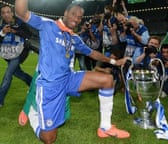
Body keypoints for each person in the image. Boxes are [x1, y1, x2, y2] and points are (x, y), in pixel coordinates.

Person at [15, 1, 130, 144]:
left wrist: (114, 62)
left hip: (69, 78)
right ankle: (33, 113)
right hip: (50, 87)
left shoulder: (74, 38)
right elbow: (21, 12)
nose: (76, 19)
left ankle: (105, 127)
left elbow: (92, 53)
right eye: (73, 14)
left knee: (107, 80)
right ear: (65, 13)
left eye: (80, 17)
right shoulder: (48, 25)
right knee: (49, 139)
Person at [0, 5, 32, 107]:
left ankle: (0, 100)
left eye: (8, 12)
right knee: (19, 74)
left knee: (7, 76)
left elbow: (28, 35)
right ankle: (33, 84)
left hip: (18, 55)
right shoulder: (1, 25)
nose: (6, 14)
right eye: (3, 13)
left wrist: (16, 31)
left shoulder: (20, 23)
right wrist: (2, 33)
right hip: (7, 55)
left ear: (12, 13)